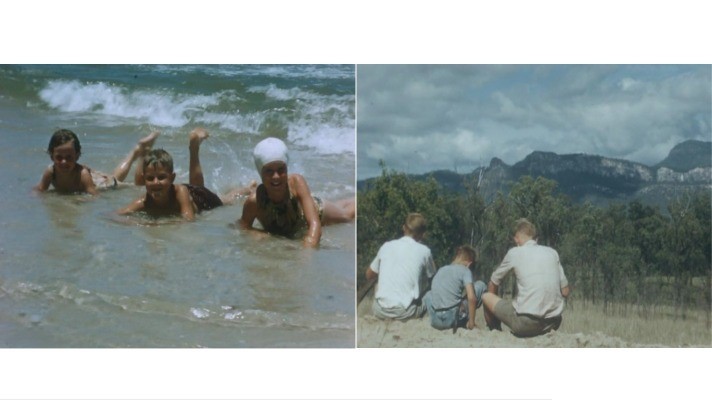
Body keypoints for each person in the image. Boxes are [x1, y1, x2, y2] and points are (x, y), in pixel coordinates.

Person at [238, 137, 355, 248]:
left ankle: (359, 199)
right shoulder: (254, 202)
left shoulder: (296, 182)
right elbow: (243, 227)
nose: (276, 176)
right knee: (338, 206)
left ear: (287, 169)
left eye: (281, 170)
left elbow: (314, 224)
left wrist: (307, 250)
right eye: (269, 171)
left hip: (316, 210)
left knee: (347, 215)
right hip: (296, 222)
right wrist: (258, 234)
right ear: (260, 173)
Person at [118, 128, 245, 221]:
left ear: (172, 177)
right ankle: (146, 151)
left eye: (162, 177)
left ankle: (248, 188)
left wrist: (156, 225)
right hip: (180, 192)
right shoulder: (144, 201)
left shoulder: (181, 192)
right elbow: (115, 216)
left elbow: (189, 219)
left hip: (202, 199)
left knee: (227, 199)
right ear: (144, 179)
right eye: (150, 179)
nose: (156, 182)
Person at [482, 218, 571, 338]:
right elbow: (565, 291)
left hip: (525, 325)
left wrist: (495, 312)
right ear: (536, 239)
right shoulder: (552, 252)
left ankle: (495, 331)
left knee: (486, 297)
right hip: (553, 323)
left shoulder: (515, 253)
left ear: (516, 239)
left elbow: (493, 282)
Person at [35, 128, 159, 195]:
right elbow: (40, 190)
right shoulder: (50, 172)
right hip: (93, 176)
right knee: (116, 176)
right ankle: (136, 151)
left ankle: (143, 153)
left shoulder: (82, 174)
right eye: (59, 157)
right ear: (52, 156)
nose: (63, 162)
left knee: (139, 186)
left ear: (77, 156)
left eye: (69, 157)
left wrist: (76, 200)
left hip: (103, 183)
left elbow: (93, 195)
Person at [365, 213, 436, 320]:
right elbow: (434, 280)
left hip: (379, 310)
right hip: (406, 312)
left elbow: (369, 275)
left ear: (404, 228)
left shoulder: (386, 246)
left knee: (377, 280)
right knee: (430, 292)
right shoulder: (425, 251)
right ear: (422, 234)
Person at [422, 245, 487, 331]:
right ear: (469, 264)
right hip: (451, 320)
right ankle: (476, 323)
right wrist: (472, 322)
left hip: (435, 321)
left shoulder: (441, 270)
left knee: (429, 294)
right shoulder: (465, 270)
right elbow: (471, 298)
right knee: (480, 285)